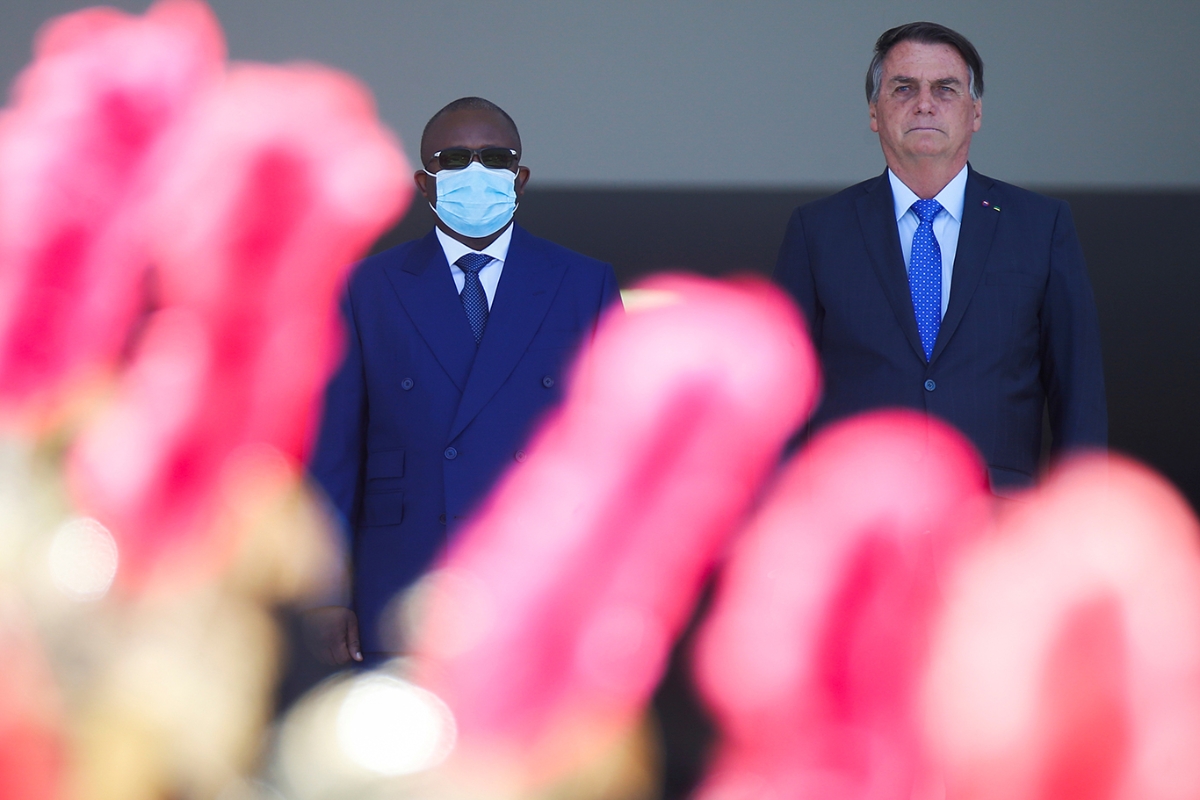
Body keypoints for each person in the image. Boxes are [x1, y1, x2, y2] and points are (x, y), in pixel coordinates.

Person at [308, 97, 620, 663]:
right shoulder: (366, 287)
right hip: (404, 568)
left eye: (493, 157)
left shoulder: (582, 282)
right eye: (453, 159)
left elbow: (614, 447)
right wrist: (328, 594)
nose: (475, 172)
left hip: (541, 570)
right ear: (425, 184)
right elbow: (333, 452)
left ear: (520, 176)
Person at [773, 21, 1106, 494]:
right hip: (855, 523)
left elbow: (1079, 396)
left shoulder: (1040, 226)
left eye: (945, 89)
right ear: (874, 110)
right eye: (903, 88)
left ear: (976, 112)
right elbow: (779, 395)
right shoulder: (818, 230)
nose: (924, 103)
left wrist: (1081, 522)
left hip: (995, 527)